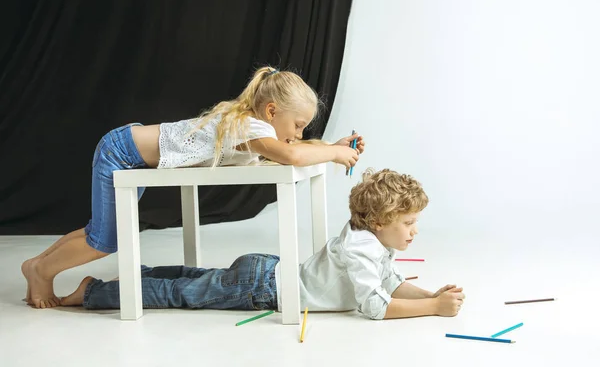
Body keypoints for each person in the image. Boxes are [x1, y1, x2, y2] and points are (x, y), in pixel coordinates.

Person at [22, 66, 365, 309]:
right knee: (105, 241)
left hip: (130, 149)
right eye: (298, 125)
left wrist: (331, 146)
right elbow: (289, 154)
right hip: (121, 151)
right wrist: (335, 153)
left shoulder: (254, 129)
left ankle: (36, 264)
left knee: (98, 232)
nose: (299, 134)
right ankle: (41, 271)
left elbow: (290, 152)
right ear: (271, 111)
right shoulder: (250, 125)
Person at [61, 169, 465, 320]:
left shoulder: (371, 240)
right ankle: (95, 292)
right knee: (179, 293)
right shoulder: (363, 248)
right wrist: (431, 309)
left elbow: (390, 283)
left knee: (194, 279)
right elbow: (373, 306)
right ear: (379, 221)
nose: (414, 231)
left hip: (268, 271)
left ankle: (136, 277)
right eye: (408, 223)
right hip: (263, 288)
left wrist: (430, 293)